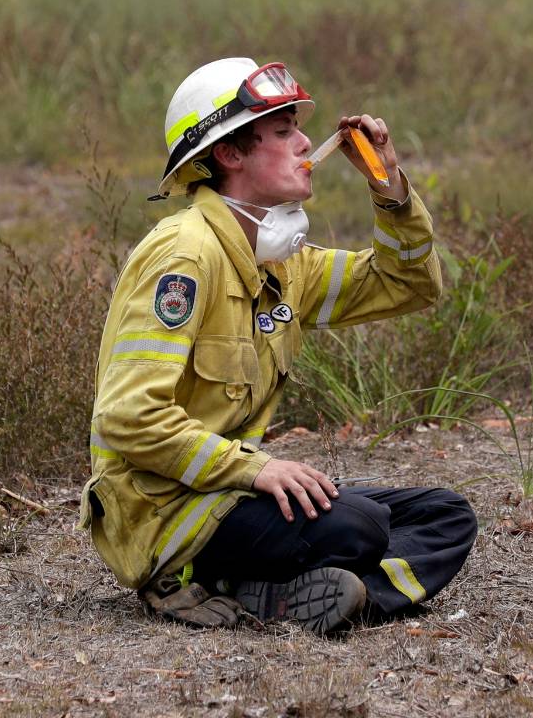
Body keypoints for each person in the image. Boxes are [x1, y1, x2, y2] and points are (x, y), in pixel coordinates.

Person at [78, 58, 477, 634]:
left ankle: (310, 596)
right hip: (166, 513)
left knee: (445, 514)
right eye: (284, 130)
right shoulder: (185, 257)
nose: (306, 143)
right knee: (360, 527)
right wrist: (257, 469)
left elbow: (409, 284)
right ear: (229, 153)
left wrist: (388, 186)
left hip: (231, 492)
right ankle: (197, 580)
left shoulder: (283, 264)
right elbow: (127, 418)